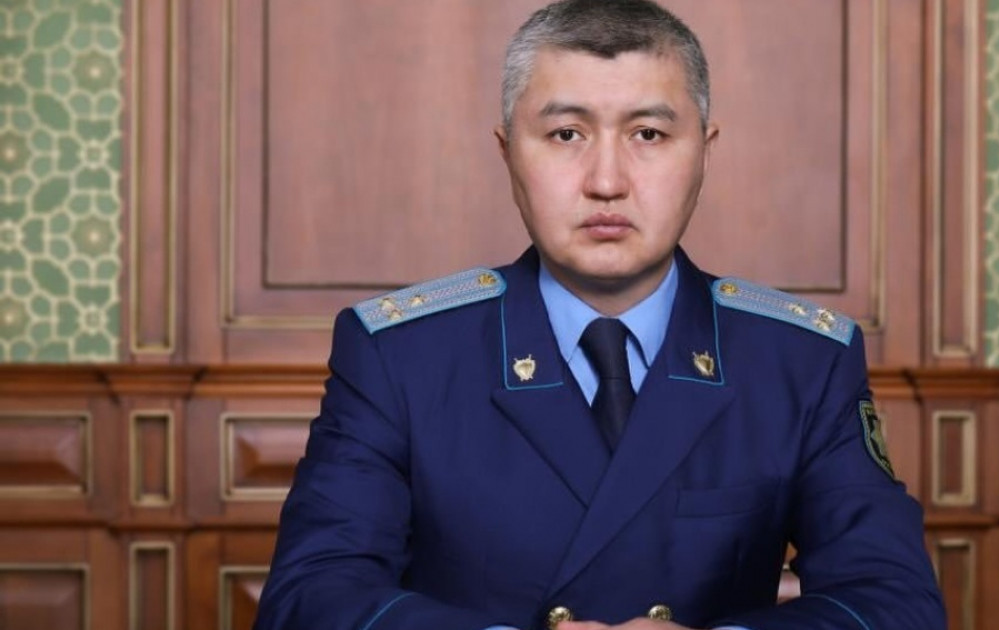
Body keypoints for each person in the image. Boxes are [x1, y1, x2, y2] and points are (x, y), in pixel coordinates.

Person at [253, 1, 946, 629]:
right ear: (507, 152)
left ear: (704, 152)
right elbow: (309, 596)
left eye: (648, 134)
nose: (607, 181)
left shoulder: (800, 362)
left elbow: (893, 601)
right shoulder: (401, 355)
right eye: (565, 134)